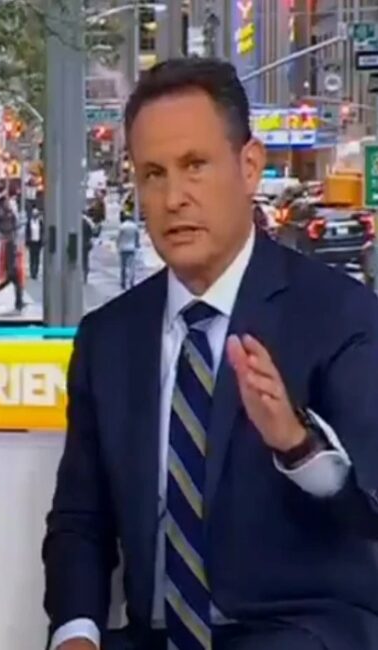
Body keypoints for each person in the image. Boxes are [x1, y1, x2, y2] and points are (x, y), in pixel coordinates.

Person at [43, 57, 378, 650]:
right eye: (153, 174)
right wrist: (75, 633)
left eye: (195, 165)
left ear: (249, 167)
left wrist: (297, 446)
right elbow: (80, 521)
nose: (174, 198)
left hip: (296, 632)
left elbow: (367, 513)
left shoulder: (339, 315)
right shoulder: (108, 339)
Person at [116, 214, 140, 290]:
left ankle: (123, 283)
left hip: (123, 248)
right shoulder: (134, 226)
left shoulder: (122, 226)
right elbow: (137, 237)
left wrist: (117, 245)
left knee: (123, 267)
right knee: (131, 267)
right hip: (132, 248)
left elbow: (118, 237)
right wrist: (137, 244)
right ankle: (131, 281)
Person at [25, 208, 44, 280]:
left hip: (38, 242)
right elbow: (27, 232)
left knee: (37, 258)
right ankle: (32, 271)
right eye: (34, 214)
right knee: (32, 257)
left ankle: (35, 272)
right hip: (32, 242)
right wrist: (27, 242)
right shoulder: (29, 222)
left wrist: (42, 240)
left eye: (36, 214)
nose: (35, 216)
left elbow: (42, 231)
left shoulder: (40, 222)